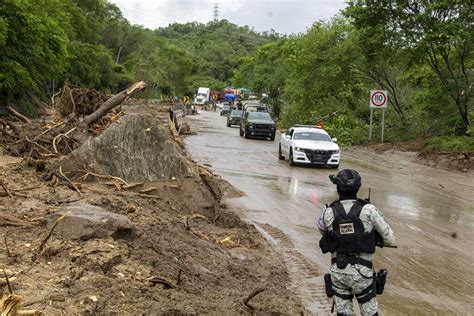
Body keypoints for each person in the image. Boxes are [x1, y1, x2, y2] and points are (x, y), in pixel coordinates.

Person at [317, 169, 395, 316]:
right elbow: (390, 239)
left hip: (338, 272)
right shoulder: (369, 210)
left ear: (338, 188)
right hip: (363, 275)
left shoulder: (328, 212)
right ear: (358, 188)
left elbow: (322, 231)